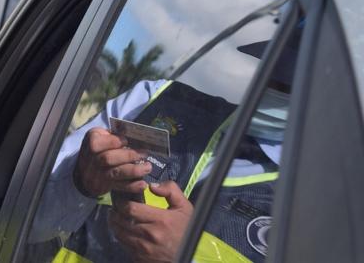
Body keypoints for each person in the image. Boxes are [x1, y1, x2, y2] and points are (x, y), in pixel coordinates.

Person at [30, 40, 292, 263]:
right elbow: (23, 221)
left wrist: (193, 255)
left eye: (291, 83)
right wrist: (80, 184)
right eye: (275, 71)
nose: (274, 85)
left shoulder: (318, 211)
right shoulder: (153, 102)